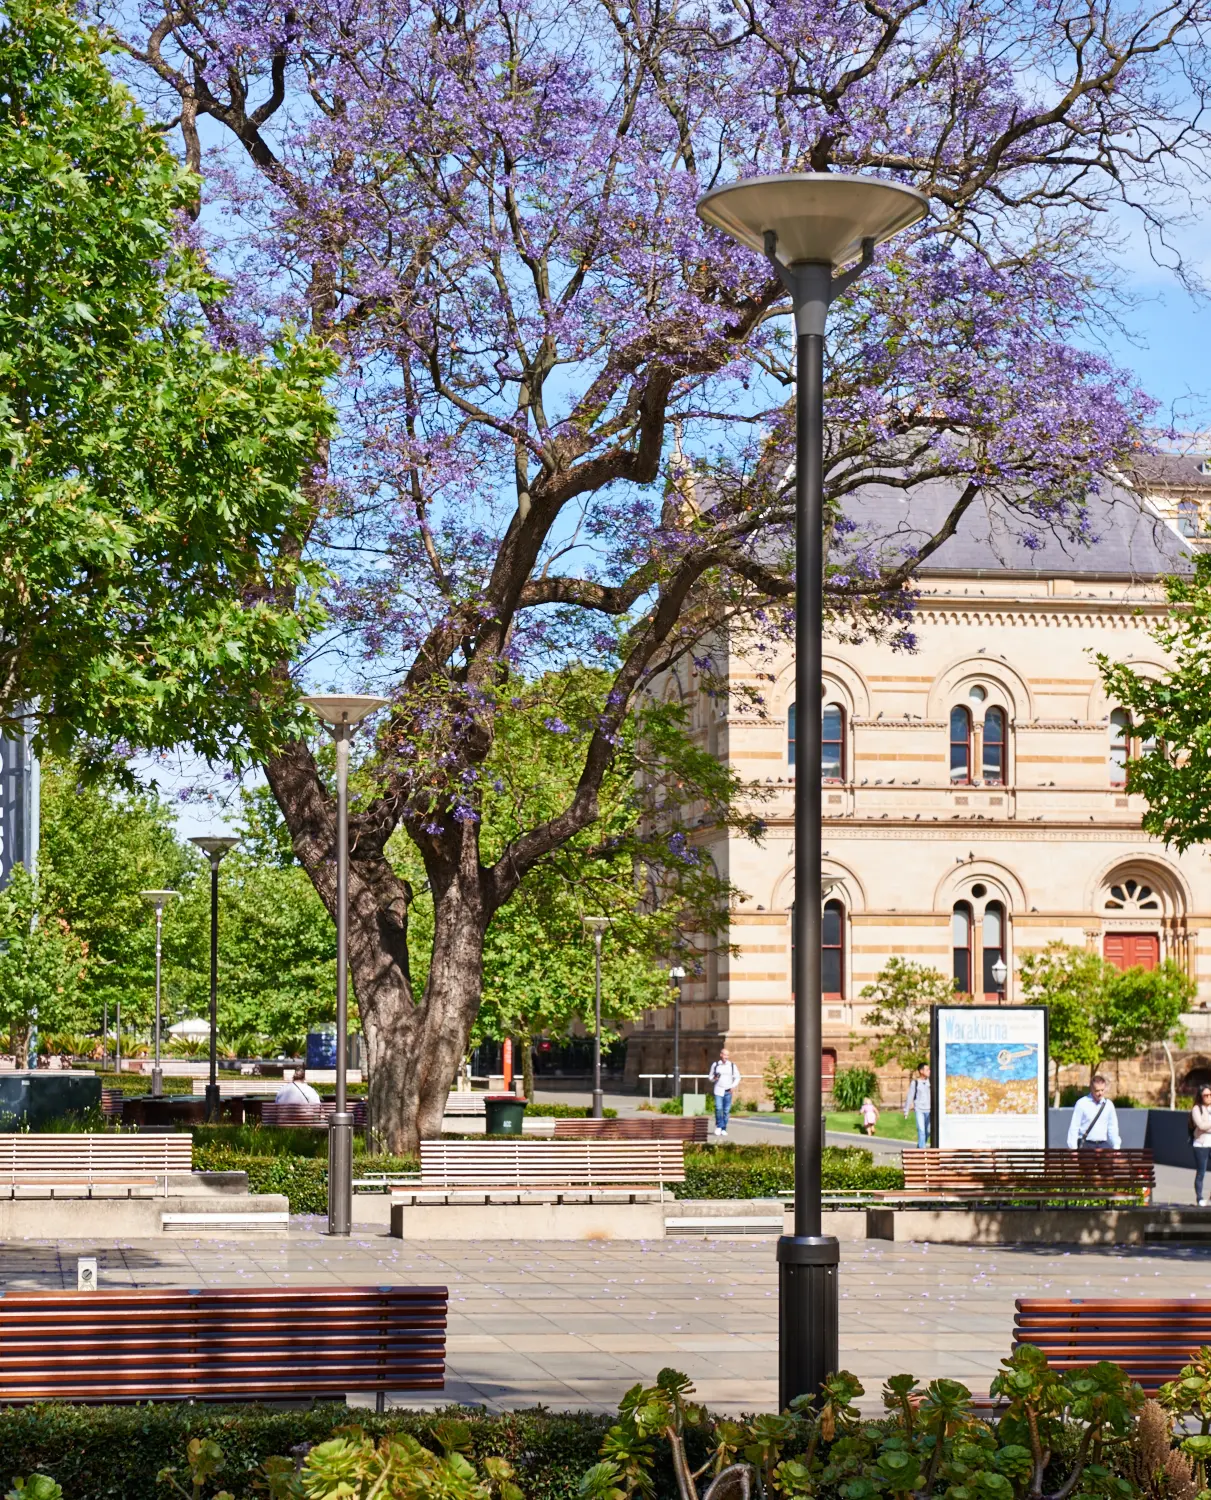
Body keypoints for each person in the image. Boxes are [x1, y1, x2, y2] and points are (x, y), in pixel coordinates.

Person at [1066, 1074, 1122, 1149]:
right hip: (1086, 1144)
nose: (1100, 1093)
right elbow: (1074, 1127)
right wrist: (1073, 1148)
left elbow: (1112, 1127)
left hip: (1102, 1144)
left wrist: (1116, 1145)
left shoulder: (1108, 1105)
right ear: (1091, 1089)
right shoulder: (1082, 1103)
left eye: (1102, 1090)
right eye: (1097, 1090)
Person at [708, 1048, 741, 1139]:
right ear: (721, 1055)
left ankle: (723, 1128)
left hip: (728, 1090)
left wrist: (733, 1086)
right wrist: (714, 1078)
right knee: (718, 1108)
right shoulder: (715, 1065)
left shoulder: (732, 1066)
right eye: (724, 1055)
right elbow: (710, 1077)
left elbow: (737, 1077)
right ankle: (719, 1126)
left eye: (727, 1055)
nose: (726, 1057)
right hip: (718, 1090)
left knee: (726, 1111)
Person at [1190, 1084, 1211, 1205]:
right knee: (1201, 1172)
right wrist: (1205, 1126)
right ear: (1200, 1096)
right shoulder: (1197, 1109)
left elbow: (1204, 1126)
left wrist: (1205, 1126)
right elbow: (1200, 1126)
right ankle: (1199, 1198)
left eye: (1210, 1094)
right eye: (1205, 1095)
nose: (1208, 1097)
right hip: (1201, 1145)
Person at [904, 1064, 932, 1148]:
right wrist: (906, 1111)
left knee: (928, 1131)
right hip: (919, 1109)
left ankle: (920, 1145)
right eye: (927, 1070)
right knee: (921, 1130)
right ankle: (922, 1151)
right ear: (921, 1071)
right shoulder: (915, 1083)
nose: (929, 1071)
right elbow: (910, 1096)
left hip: (929, 1110)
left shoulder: (930, 1082)